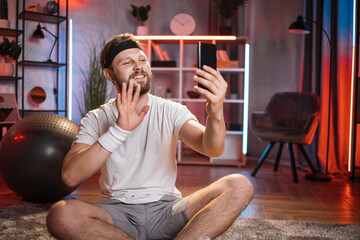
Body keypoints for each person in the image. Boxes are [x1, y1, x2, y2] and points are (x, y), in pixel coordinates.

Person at [46, 33, 254, 240]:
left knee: (239, 185)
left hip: (168, 211)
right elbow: (70, 176)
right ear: (109, 75)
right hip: (117, 212)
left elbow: (212, 149)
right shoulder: (96, 118)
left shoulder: (170, 110)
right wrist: (119, 129)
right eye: (127, 62)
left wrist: (216, 110)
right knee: (61, 214)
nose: (138, 66)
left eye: (142, 60)